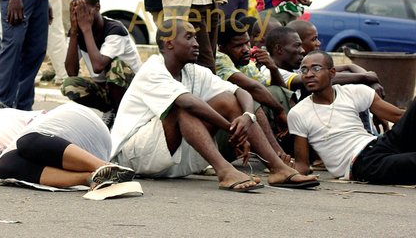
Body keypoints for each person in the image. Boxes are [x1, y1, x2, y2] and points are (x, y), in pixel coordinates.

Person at [111, 18, 319, 191]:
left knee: (229, 100)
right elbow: (188, 104)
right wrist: (232, 130)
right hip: (135, 157)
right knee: (183, 107)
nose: (197, 43)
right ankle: (225, 171)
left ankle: (278, 168)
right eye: (189, 37)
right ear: (169, 43)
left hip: (173, 158)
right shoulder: (153, 69)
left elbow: (241, 92)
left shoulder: (193, 71)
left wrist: (246, 118)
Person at [0, 102, 135, 189]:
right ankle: (92, 178)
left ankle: (103, 167)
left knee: (27, 141)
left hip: (77, 125)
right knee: (6, 166)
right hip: (66, 158)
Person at [289, 51, 416, 184]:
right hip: (361, 163)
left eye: (316, 68)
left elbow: (400, 117)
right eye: (304, 70)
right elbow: (302, 165)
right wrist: (284, 169)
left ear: (332, 73)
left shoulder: (353, 92)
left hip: (380, 143)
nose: (309, 74)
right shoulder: (298, 113)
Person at [61, 0, 142, 128]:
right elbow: (71, 71)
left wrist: (86, 29)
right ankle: (110, 110)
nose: (81, 16)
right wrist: (74, 32)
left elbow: (98, 67)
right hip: (106, 88)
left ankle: (122, 116)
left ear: (97, 7)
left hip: (133, 89)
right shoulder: (78, 32)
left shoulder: (115, 29)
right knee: (69, 85)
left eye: (84, 11)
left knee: (116, 67)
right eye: (76, 12)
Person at [215, 19, 293, 152]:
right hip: (220, 135)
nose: (246, 50)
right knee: (252, 99)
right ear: (222, 48)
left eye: (247, 43)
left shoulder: (245, 64)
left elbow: (275, 92)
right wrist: (279, 111)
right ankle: (277, 155)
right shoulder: (219, 59)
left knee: (277, 92)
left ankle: (294, 150)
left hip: (240, 131)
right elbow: (253, 88)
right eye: (238, 46)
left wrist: (273, 68)